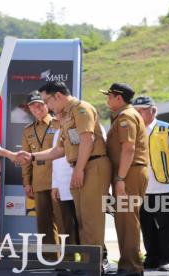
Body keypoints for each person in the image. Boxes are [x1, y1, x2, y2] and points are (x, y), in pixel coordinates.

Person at [18, 81, 111, 269]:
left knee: (91, 220)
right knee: (83, 221)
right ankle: (87, 264)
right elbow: (57, 151)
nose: (47, 106)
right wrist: (31, 156)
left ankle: (96, 264)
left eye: (47, 101)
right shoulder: (67, 117)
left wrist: (78, 170)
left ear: (58, 96)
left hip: (92, 165)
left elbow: (87, 140)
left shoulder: (81, 109)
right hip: (82, 166)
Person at [133, 96, 169, 272]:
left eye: (143, 110)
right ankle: (152, 257)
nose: (139, 113)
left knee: (167, 225)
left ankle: (167, 258)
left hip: (164, 185)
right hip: (143, 188)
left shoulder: (167, 130)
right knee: (147, 225)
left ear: (153, 110)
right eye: (137, 110)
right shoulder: (133, 131)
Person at [102, 83, 149, 275]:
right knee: (124, 220)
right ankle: (128, 264)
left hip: (129, 173)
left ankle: (131, 267)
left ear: (118, 98)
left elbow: (128, 149)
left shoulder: (126, 117)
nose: (107, 100)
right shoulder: (124, 115)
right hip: (128, 172)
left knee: (128, 220)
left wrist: (120, 178)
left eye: (109, 96)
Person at [21, 91, 64, 250]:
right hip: (38, 182)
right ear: (29, 109)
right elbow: (26, 160)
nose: (36, 108)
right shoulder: (27, 130)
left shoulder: (58, 123)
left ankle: (68, 259)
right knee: (44, 224)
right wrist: (27, 182)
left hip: (57, 181)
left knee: (63, 221)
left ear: (47, 105)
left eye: (39, 104)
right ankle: (50, 258)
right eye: (32, 106)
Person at [51, 112, 79, 246]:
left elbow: (78, 154)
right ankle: (73, 257)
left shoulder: (74, 129)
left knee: (84, 224)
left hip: (76, 182)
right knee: (69, 224)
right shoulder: (58, 132)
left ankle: (97, 257)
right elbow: (55, 160)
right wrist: (55, 184)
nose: (56, 116)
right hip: (63, 185)